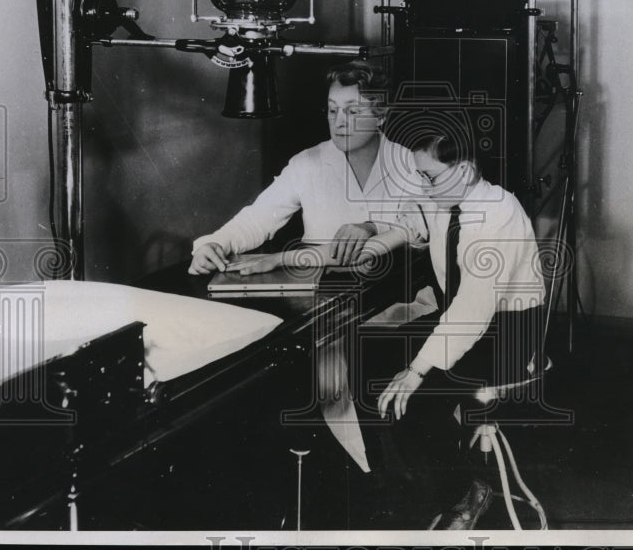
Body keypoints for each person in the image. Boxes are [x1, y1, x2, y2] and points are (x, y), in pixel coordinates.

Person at [359, 126, 546, 529]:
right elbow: (411, 225)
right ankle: (406, 483)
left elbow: (474, 309)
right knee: (369, 357)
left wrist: (416, 370)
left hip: (508, 331)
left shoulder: (499, 212)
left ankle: (465, 492)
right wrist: (368, 234)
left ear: (463, 170)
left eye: (429, 177)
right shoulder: (445, 198)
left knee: (418, 394)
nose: (423, 187)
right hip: (460, 319)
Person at [188, 61, 420, 275]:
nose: (339, 122)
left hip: (393, 292)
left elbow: (419, 229)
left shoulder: (410, 163)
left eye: (353, 111)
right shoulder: (307, 163)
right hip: (319, 291)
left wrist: (372, 227)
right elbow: (258, 219)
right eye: (332, 110)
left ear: (381, 116)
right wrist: (214, 244)